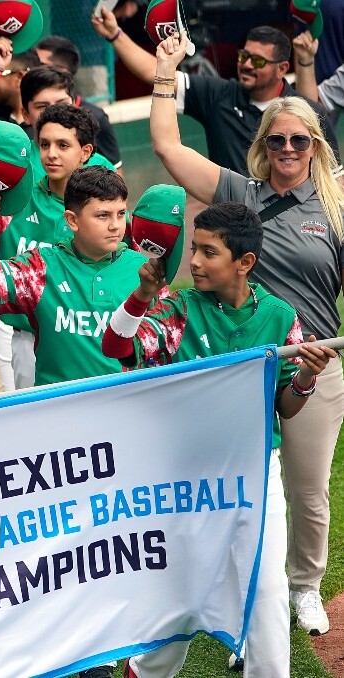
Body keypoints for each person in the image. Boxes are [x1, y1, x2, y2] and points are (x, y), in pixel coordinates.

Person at [149, 31, 344, 638]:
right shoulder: (240, 195)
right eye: (278, 138)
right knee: (231, 492)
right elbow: (166, 147)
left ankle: (304, 586)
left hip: (314, 362)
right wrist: (163, 74)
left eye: (300, 139)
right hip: (237, 363)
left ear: (314, 145)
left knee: (307, 491)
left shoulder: (337, 206)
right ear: (264, 145)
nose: (288, 147)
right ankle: (230, 595)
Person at [102, 202, 334, 677]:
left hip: (254, 470)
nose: (194, 261)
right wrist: (143, 295)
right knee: (178, 600)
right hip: (183, 475)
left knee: (267, 595)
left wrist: (306, 379)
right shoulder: (177, 308)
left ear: (244, 262)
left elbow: (285, 408)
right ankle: (144, 670)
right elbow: (116, 347)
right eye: (194, 248)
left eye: (209, 252)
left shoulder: (278, 315)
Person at [0, 104, 102, 392]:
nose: (51, 154)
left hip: (87, 335)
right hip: (23, 336)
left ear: (84, 152)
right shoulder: (14, 198)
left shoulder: (102, 208)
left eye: (63, 145)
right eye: (44, 144)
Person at [0, 165, 151, 387]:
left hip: (127, 402)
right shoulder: (40, 267)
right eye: (102, 215)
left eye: (121, 214)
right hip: (58, 408)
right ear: (72, 220)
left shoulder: (143, 271)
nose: (115, 226)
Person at [91, 8, 339, 172]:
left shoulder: (306, 113)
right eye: (244, 56)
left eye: (259, 61)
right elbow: (154, 73)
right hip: (229, 227)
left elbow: (334, 179)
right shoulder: (219, 94)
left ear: (282, 68)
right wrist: (115, 34)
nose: (248, 65)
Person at [35, 35, 123, 170]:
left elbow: (116, 175)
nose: (33, 69)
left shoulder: (96, 117)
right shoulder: (29, 116)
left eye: (40, 65)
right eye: (45, 144)